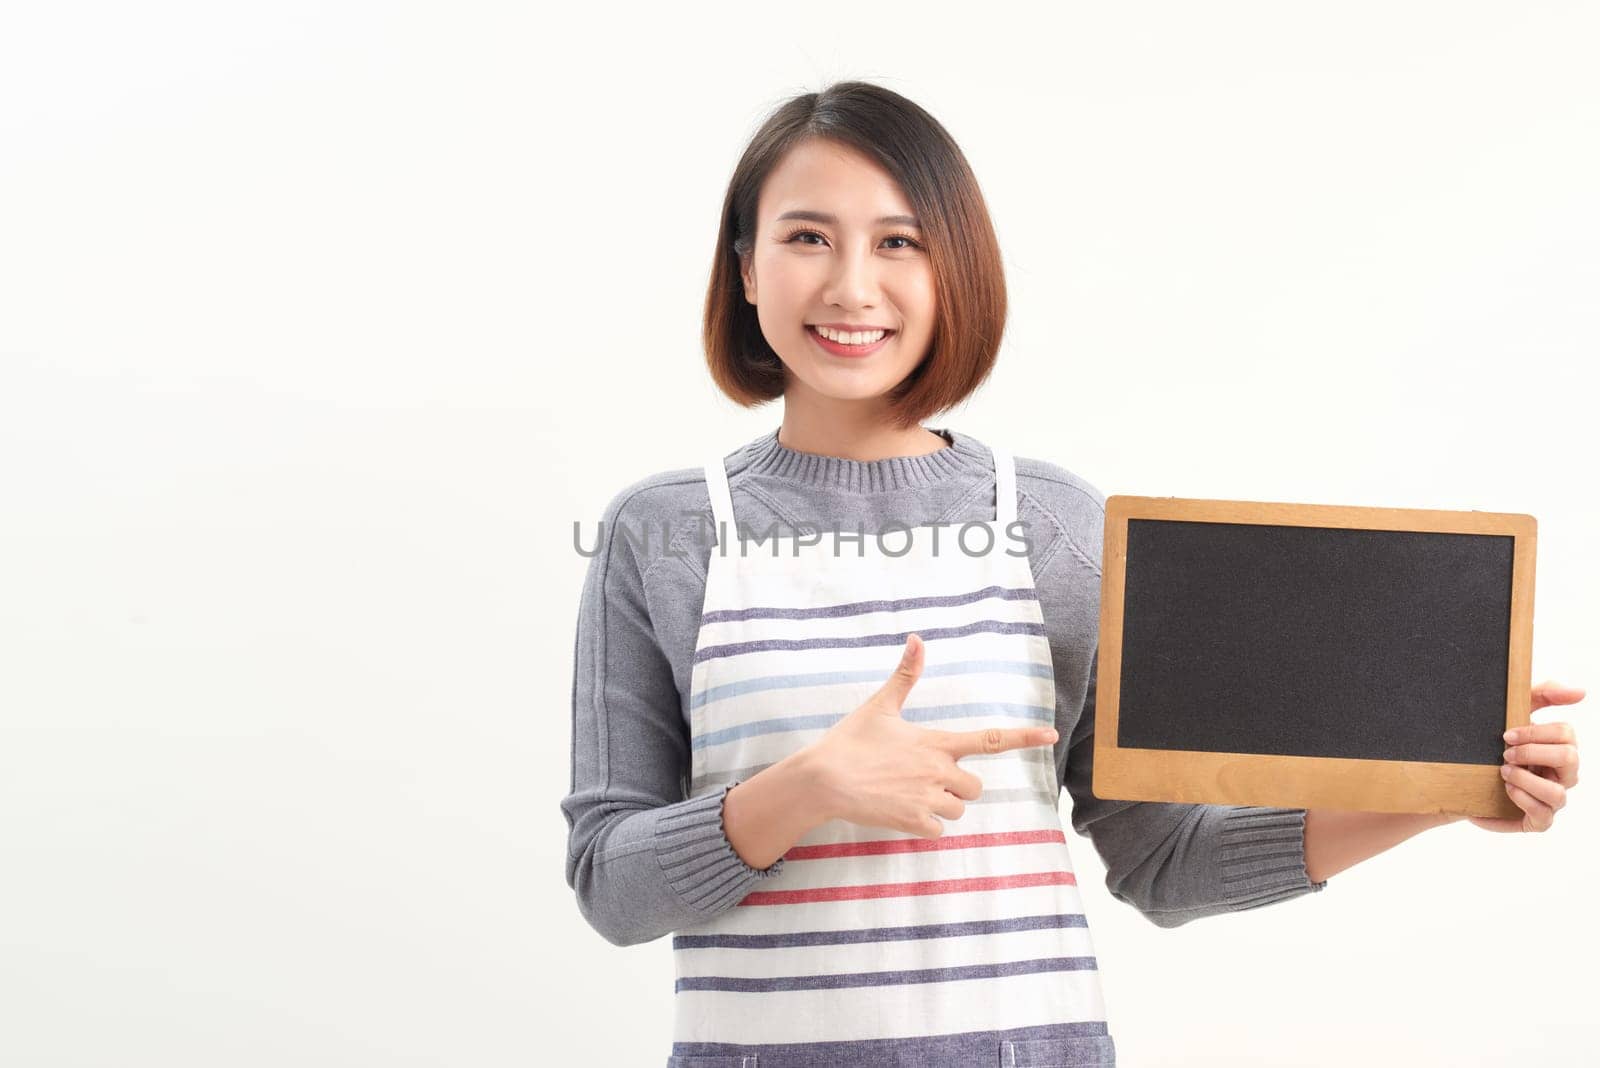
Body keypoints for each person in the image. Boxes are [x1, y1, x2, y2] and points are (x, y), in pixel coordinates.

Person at [560, 80, 1584, 1068]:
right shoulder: (663, 531)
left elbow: (1164, 860)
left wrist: (1447, 789)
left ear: (953, 269)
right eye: (805, 237)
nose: (850, 286)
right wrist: (802, 789)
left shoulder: (1052, 523)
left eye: (899, 242)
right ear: (743, 268)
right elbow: (611, 885)